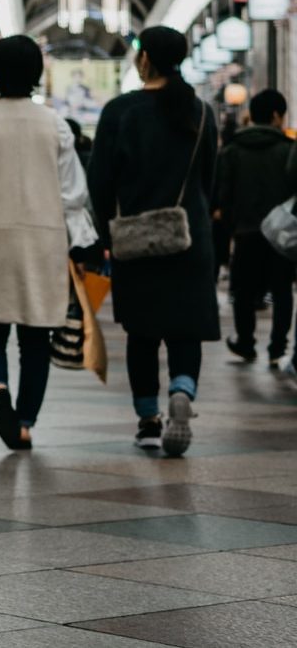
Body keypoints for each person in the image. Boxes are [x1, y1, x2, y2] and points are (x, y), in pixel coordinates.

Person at [0, 36, 97, 451]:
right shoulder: (55, 125)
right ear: (37, 75)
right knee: (35, 338)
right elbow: (73, 195)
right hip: (44, 241)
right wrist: (82, 244)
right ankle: (24, 423)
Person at [88, 27, 219, 457]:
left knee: (142, 332)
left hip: (136, 239)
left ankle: (147, 420)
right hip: (189, 236)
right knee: (186, 328)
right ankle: (182, 388)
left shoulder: (120, 112)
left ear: (144, 60)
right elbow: (209, 181)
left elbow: (101, 183)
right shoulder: (200, 112)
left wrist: (103, 233)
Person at [215, 89, 294, 367]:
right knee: (281, 290)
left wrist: (230, 228)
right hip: (281, 235)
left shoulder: (232, 150)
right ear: (275, 116)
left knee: (243, 291)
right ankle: (277, 347)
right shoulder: (287, 150)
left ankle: (246, 342)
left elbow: (222, 194)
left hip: (245, 232)